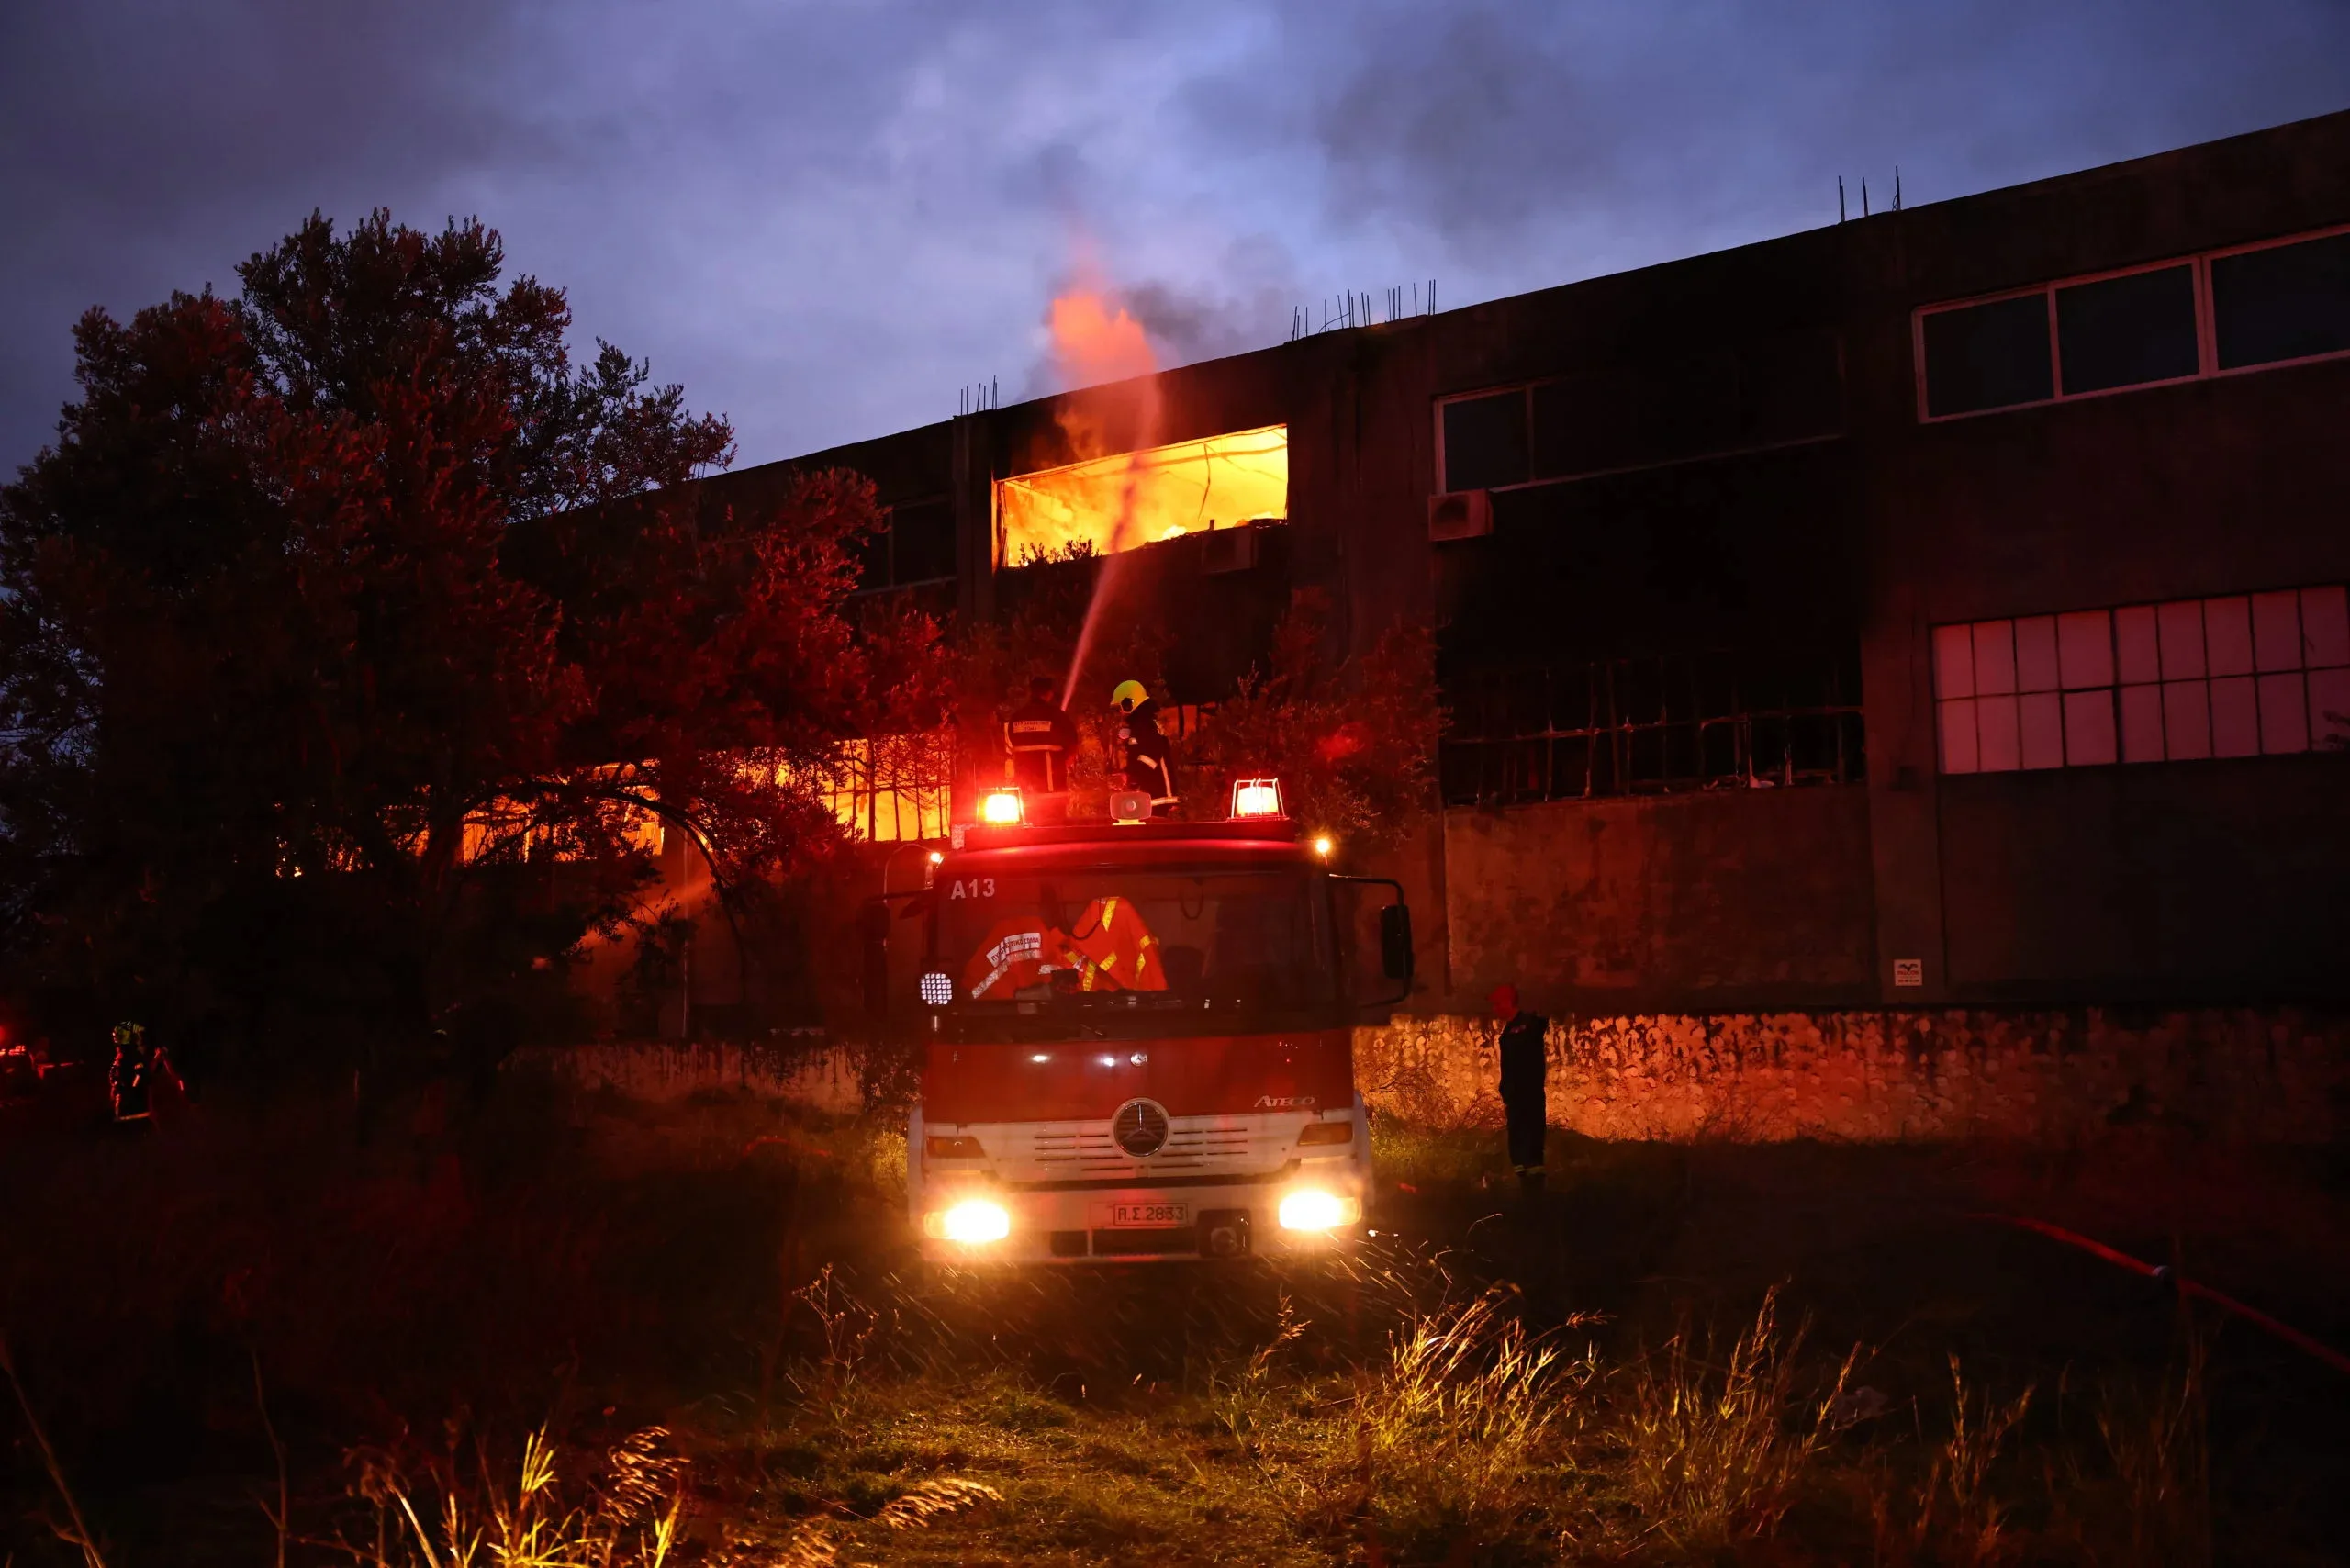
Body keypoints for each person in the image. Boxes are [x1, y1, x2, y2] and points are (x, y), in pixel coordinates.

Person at [1492, 984, 1549, 1196]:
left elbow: (1537, 1030)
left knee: (1531, 1139)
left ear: (1507, 1002)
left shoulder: (1527, 1025)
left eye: (1497, 1004)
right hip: (1515, 1096)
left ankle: (1535, 1190)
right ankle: (1523, 1184)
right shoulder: (1509, 1030)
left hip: (1529, 1094)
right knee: (1517, 1140)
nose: (1494, 1009)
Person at [1003, 675, 1080, 824]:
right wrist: (1067, 760)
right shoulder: (1057, 715)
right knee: (1054, 819)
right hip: (1052, 779)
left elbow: (1012, 741)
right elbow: (1072, 742)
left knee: (1028, 814)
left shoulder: (1017, 716)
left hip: (1024, 779)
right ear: (1049, 693)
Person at [1111, 678, 1179, 817]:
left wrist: (1130, 775)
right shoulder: (1142, 724)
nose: (1120, 713)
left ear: (1129, 704)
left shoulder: (1145, 725)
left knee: (1154, 833)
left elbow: (1150, 756)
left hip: (1158, 796)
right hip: (1154, 793)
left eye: (1121, 707)